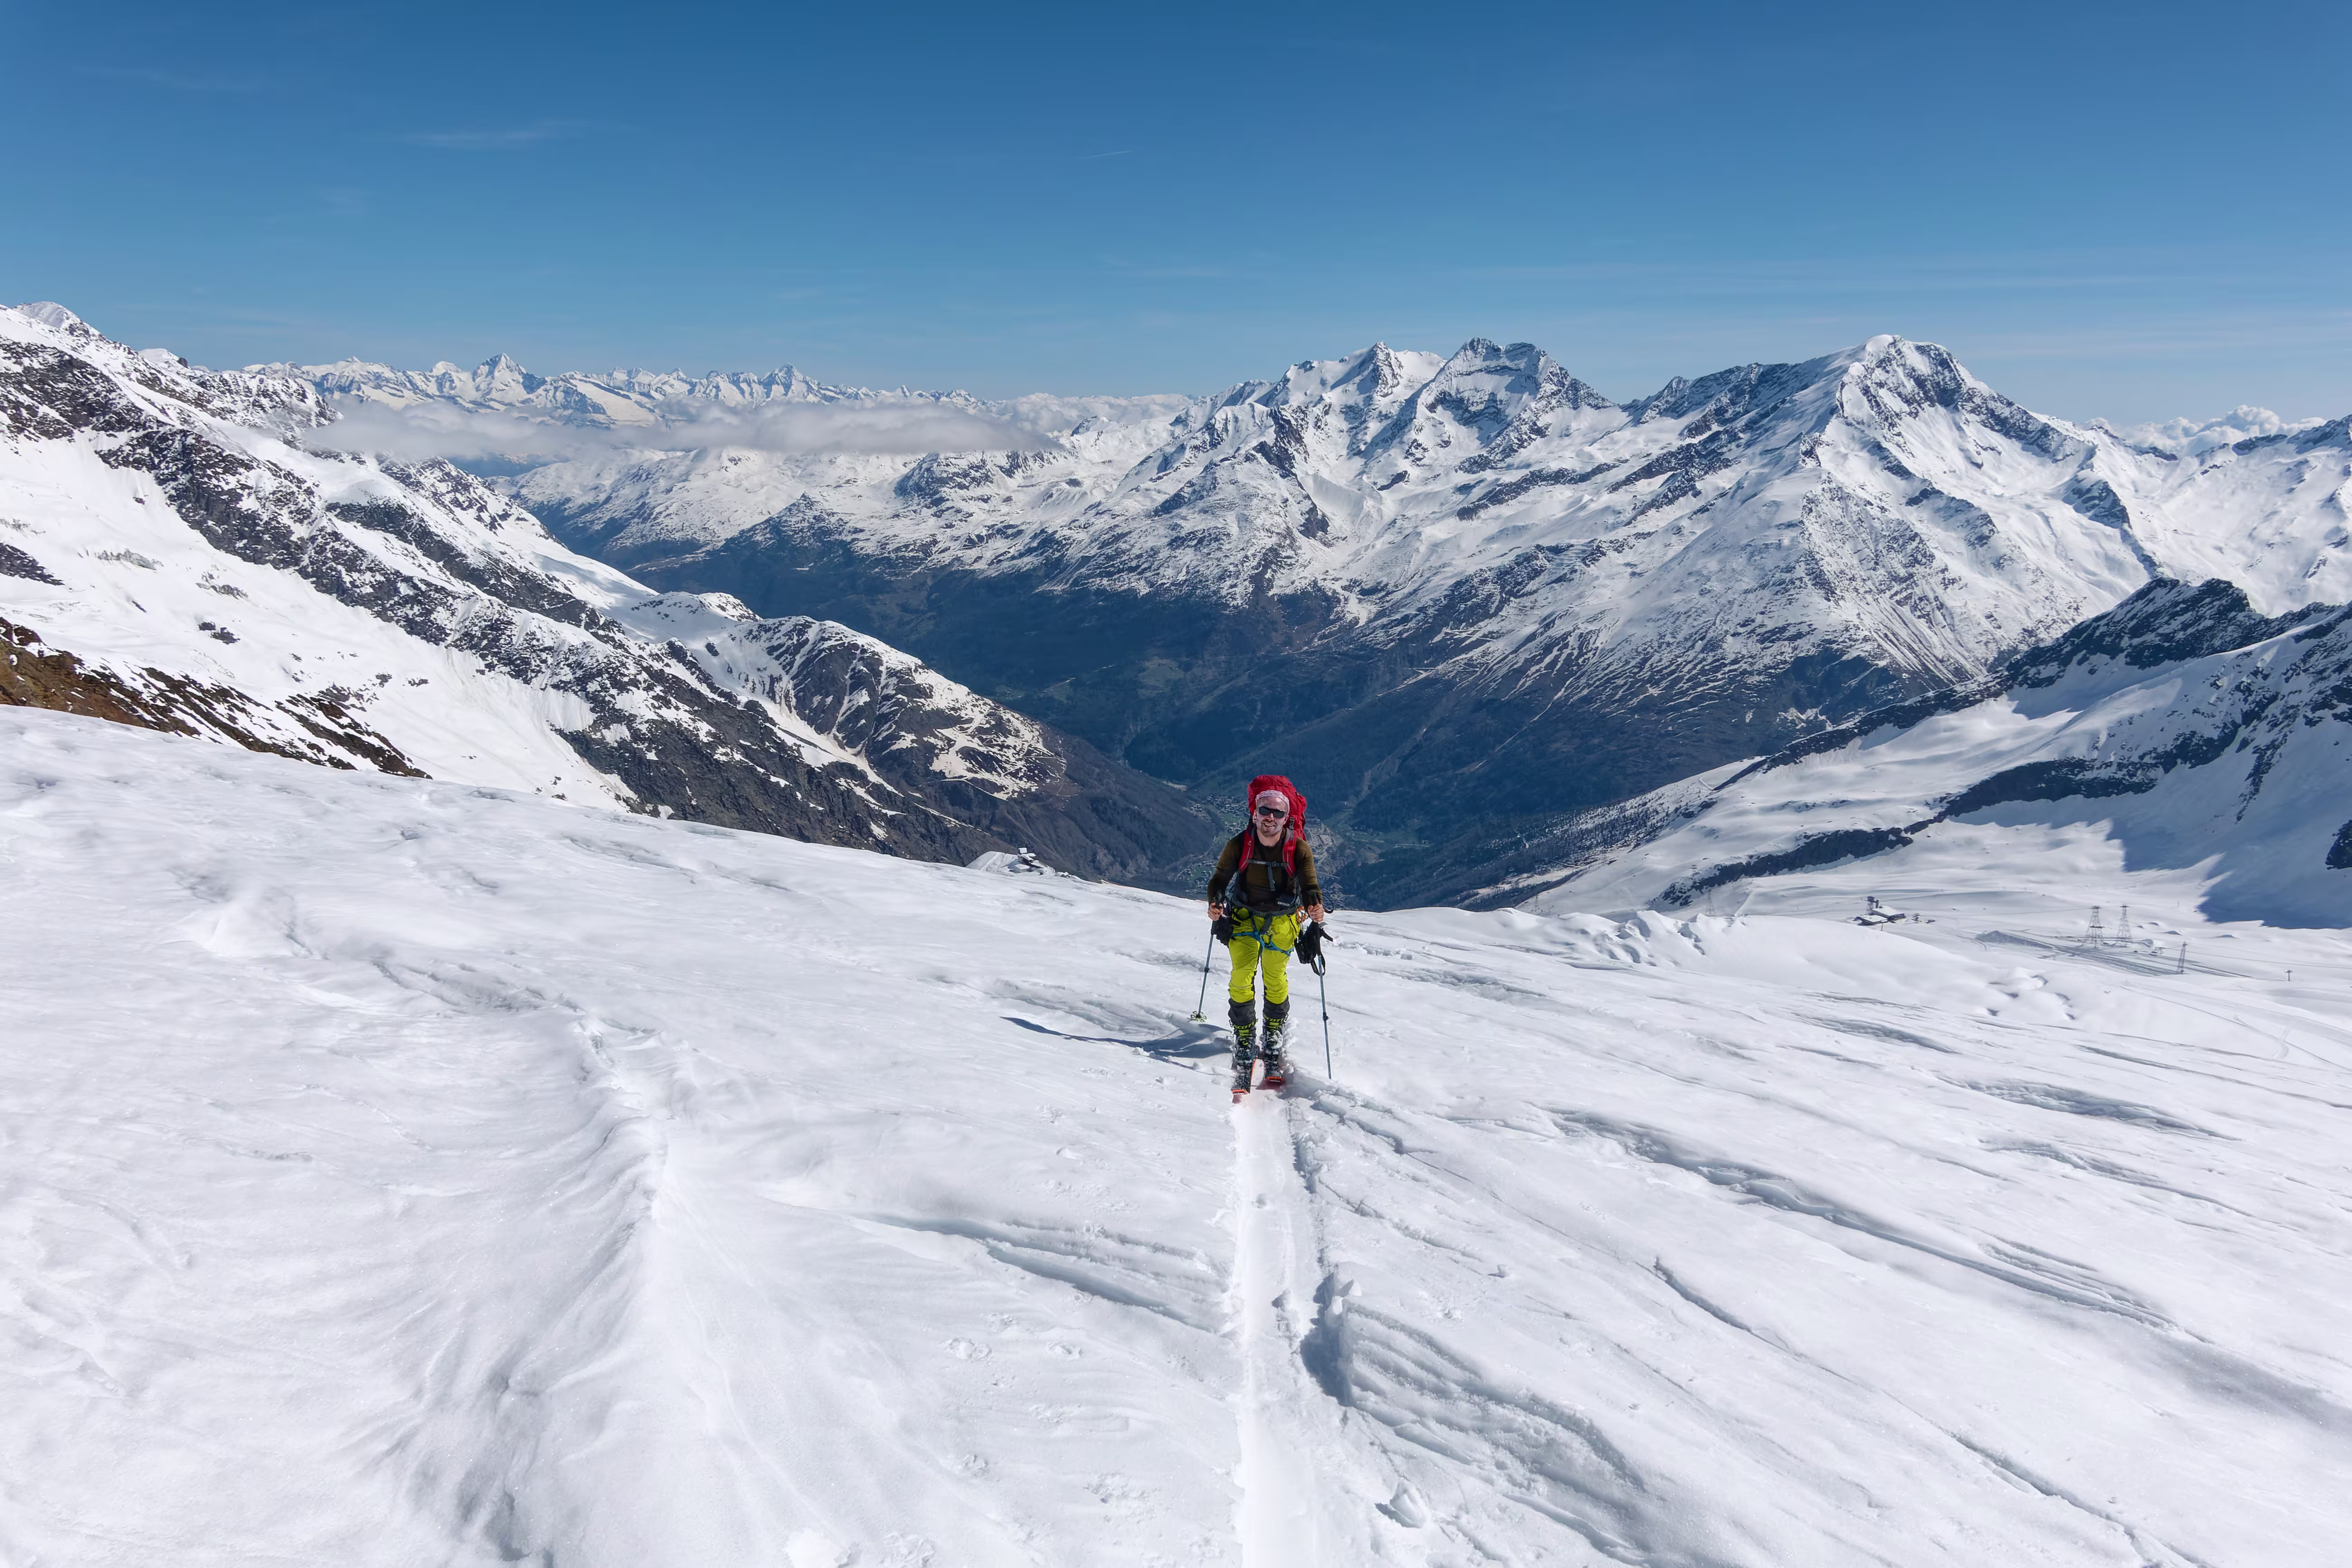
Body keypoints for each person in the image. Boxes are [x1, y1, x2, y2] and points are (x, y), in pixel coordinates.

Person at [1208, 786, 1327, 1096]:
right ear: (1254, 812)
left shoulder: (1297, 848)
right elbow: (1219, 879)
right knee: (1241, 977)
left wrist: (1314, 903)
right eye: (1265, 811)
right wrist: (1216, 901)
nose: (1270, 818)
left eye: (1278, 813)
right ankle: (1246, 1038)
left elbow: (1309, 881)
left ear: (1288, 818)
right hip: (1245, 919)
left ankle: (1269, 1036)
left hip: (1282, 922)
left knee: (1275, 978)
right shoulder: (1240, 844)